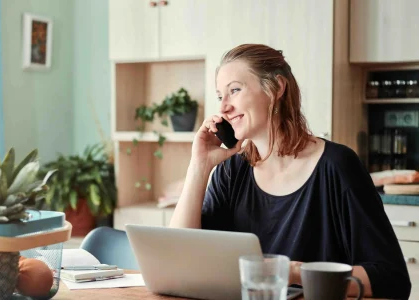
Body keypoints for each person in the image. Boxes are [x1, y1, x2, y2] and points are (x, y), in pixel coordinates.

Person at [169, 44, 411, 299]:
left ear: (276, 88)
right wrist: (199, 165)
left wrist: (294, 271)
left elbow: (391, 278)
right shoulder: (230, 171)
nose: (224, 108)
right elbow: (179, 259)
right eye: (221, 96)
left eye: (235, 90)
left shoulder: (338, 166)